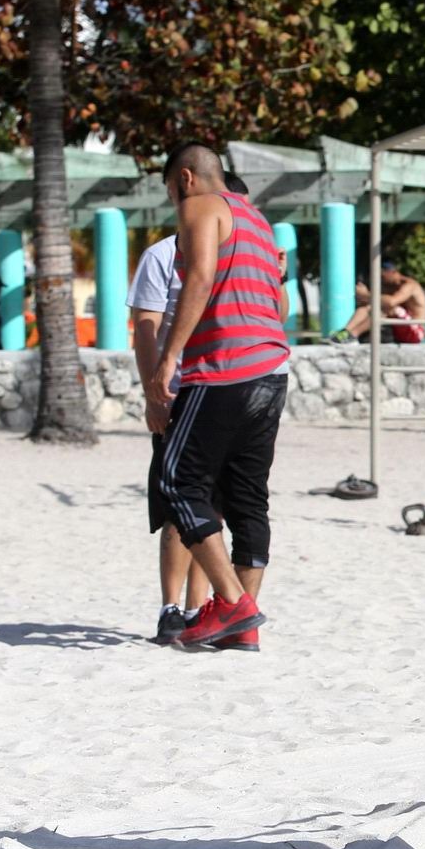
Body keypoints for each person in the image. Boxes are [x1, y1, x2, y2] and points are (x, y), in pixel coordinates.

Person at [146, 145, 291, 652]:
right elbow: (276, 296)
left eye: (170, 192)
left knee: (175, 481)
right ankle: (242, 630)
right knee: (248, 496)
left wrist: (169, 358)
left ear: (185, 178)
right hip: (272, 371)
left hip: (223, 370)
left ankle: (233, 604)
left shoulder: (199, 206)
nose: (173, 205)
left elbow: (201, 277)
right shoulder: (255, 219)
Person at [129, 227, 214, 645]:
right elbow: (144, 327)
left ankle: (199, 607)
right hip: (178, 394)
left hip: (224, 395)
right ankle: (171, 607)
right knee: (177, 506)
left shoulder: (237, 253)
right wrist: (153, 393)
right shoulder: (161, 256)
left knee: (215, 507)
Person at [339, 261, 425, 344]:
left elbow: (391, 302)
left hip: (416, 331)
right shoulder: (390, 286)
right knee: (370, 306)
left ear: (392, 272)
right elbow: (374, 303)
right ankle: (345, 332)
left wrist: (366, 295)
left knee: (387, 307)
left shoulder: (410, 285)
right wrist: (364, 299)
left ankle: (354, 335)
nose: (381, 280)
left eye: (382, 276)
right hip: (399, 330)